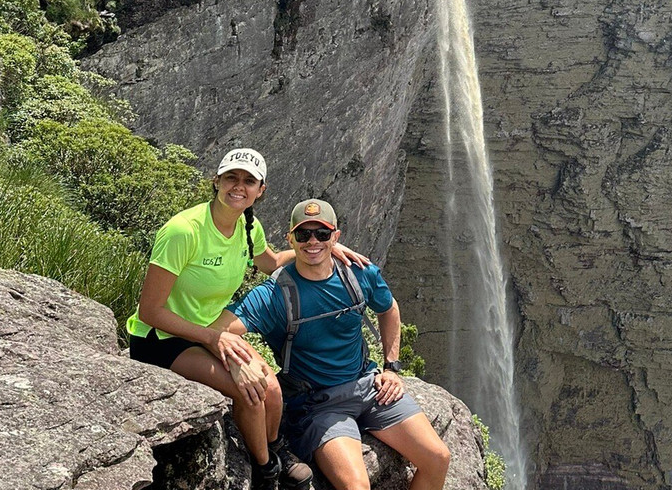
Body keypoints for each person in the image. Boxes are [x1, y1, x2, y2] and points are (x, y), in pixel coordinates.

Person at [127, 149, 368, 490]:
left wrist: (324, 248)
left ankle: (274, 445)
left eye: (248, 181)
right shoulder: (184, 231)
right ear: (217, 182)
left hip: (210, 330)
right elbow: (150, 311)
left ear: (260, 190)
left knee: (272, 389)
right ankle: (266, 468)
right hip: (162, 339)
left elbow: (272, 263)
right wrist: (213, 339)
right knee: (250, 390)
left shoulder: (247, 227)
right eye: (231, 178)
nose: (238, 187)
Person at [216, 199, 451, 490]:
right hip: (319, 404)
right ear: (290, 239)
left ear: (336, 237)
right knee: (356, 487)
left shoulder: (358, 273)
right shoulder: (274, 294)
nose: (312, 242)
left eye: (322, 234)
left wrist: (391, 367)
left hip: (370, 387)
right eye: (303, 235)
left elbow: (388, 309)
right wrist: (247, 363)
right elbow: (219, 329)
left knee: (438, 457)